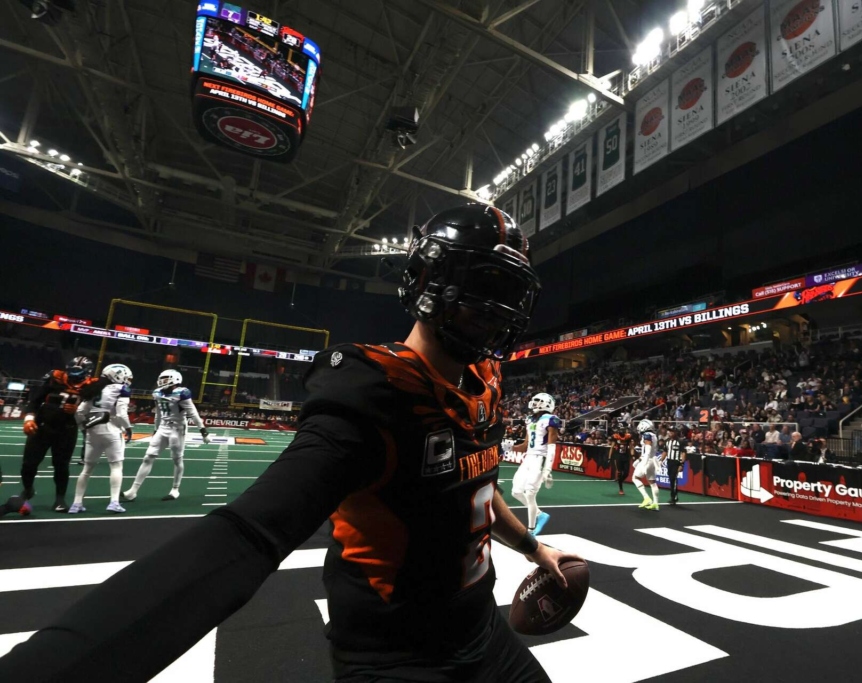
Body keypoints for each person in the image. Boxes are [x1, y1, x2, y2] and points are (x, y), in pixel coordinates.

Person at [0, 203, 581, 683]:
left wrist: (535, 549)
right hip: (399, 657)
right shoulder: (379, 393)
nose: (494, 309)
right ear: (429, 281)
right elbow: (250, 533)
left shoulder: (484, 382)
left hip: (481, 630)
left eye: (507, 291)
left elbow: (474, 487)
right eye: (481, 285)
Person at [19, 356, 98, 513]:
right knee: (29, 464)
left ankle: (60, 499)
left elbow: (96, 412)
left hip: (67, 429)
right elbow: (35, 401)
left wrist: (78, 411)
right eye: (72, 371)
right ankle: (28, 489)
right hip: (42, 426)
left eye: (78, 372)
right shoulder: (55, 379)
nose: (74, 376)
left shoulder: (91, 387)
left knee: (61, 466)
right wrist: (29, 419)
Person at [123, 369, 210, 502]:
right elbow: (158, 413)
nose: (162, 381)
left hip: (177, 428)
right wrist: (155, 429)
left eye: (166, 378)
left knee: (177, 459)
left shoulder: (181, 393)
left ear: (175, 379)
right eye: (162, 378)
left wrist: (203, 431)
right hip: (163, 427)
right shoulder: (157, 393)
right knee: (148, 457)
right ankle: (133, 491)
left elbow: (193, 413)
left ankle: (175, 489)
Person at [70, 364, 134, 514]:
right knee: (116, 467)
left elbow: (79, 412)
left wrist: (83, 428)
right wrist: (128, 428)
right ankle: (114, 502)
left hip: (93, 432)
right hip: (111, 430)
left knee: (86, 470)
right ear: (117, 375)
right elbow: (121, 414)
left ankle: (76, 503)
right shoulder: (120, 389)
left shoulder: (94, 388)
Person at [511, 392, 560, 535]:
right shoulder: (530, 419)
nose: (535, 403)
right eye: (535, 400)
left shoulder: (551, 419)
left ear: (547, 403)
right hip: (529, 457)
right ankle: (540, 514)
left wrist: (547, 469)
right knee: (516, 491)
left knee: (530, 493)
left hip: (541, 458)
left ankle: (531, 530)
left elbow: (551, 447)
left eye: (539, 401)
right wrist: (509, 447)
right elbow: (525, 445)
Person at [632, 418, 660, 510]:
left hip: (647, 460)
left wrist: (643, 464)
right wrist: (639, 459)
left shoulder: (647, 435)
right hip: (652, 460)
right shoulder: (654, 435)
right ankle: (656, 503)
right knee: (652, 482)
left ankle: (646, 498)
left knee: (635, 478)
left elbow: (647, 451)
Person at [662, 426, 684, 505]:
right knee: (671, 479)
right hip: (669, 461)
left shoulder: (680, 441)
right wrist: (661, 460)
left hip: (676, 462)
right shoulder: (667, 441)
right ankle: (674, 496)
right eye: (670, 431)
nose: (670, 433)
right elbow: (665, 451)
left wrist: (681, 464)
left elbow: (683, 453)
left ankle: (674, 497)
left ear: (676, 432)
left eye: (672, 431)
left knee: (673, 479)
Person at [611, 423, 634, 495]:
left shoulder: (628, 437)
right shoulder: (615, 437)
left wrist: (632, 455)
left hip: (626, 456)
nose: (622, 431)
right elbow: (612, 447)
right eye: (621, 429)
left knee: (626, 473)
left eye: (623, 429)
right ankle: (621, 488)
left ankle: (620, 481)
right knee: (620, 472)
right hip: (618, 456)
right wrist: (610, 456)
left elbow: (631, 447)